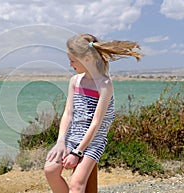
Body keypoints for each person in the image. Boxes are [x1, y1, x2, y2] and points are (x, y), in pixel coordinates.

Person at [44, 34, 142, 193]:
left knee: (77, 185)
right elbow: (68, 113)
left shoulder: (104, 85)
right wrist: (61, 141)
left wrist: (76, 153)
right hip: (72, 136)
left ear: (87, 58)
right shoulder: (75, 81)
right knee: (50, 171)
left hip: (93, 141)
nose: (70, 64)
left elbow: (96, 122)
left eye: (73, 60)